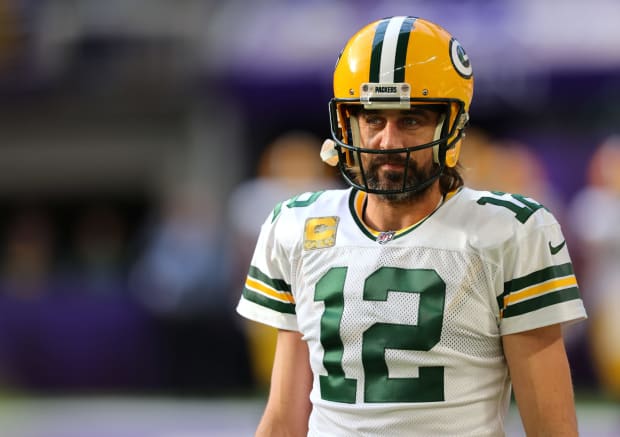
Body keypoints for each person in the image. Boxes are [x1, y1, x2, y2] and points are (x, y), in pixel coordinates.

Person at [236, 16, 587, 436]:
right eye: (373, 119)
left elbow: (551, 428)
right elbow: (285, 417)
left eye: (411, 121)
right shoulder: (297, 224)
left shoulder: (511, 231)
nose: (388, 141)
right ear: (348, 122)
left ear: (451, 128)